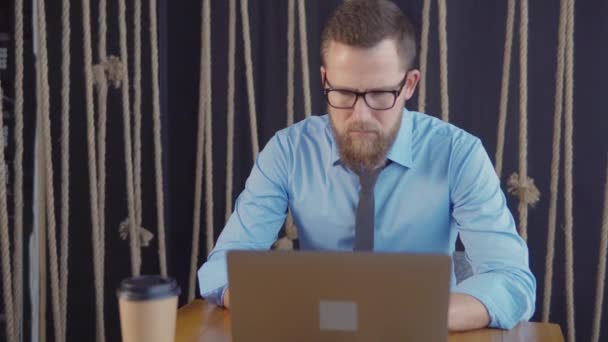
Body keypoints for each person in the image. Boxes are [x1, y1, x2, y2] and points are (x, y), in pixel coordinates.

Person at [198, 0, 535, 331]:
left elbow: (512, 280)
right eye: (343, 92)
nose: (360, 116)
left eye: (378, 95)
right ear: (325, 79)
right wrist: (287, 307)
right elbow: (222, 267)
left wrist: (407, 316)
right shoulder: (287, 150)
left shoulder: (458, 154)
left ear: (409, 85)